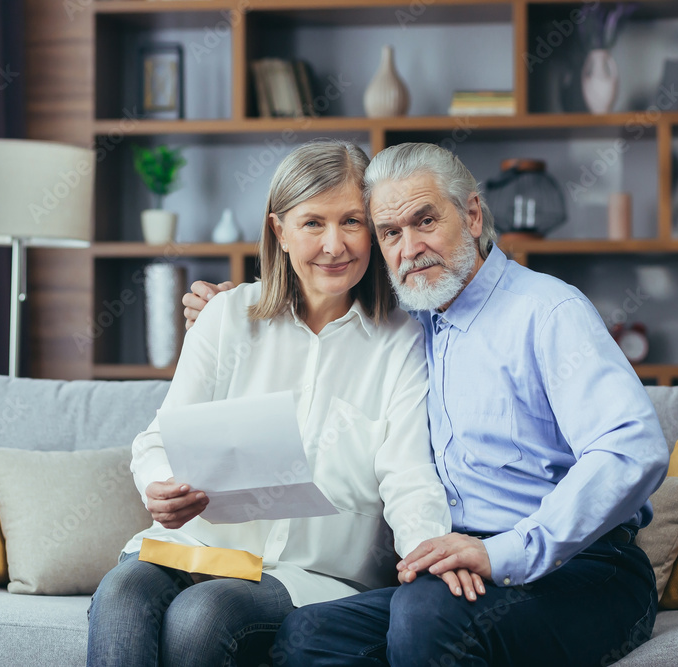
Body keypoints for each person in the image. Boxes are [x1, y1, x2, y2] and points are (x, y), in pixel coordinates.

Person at [184, 142, 669, 666]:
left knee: (424, 612)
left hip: (584, 568)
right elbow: (319, 310)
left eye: (425, 221)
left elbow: (633, 448)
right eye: (390, 233)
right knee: (308, 632)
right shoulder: (408, 321)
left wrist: (504, 552)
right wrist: (233, 311)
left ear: (473, 214)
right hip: (455, 564)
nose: (410, 247)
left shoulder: (547, 311)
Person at [86, 140, 457, 667]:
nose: (335, 245)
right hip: (195, 545)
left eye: (352, 221)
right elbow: (157, 439)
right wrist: (159, 485)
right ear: (279, 230)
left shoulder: (400, 342)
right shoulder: (226, 316)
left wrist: (429, 555)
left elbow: (408, 474)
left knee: (204, 615)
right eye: (313, 224)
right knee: (122, 594)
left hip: (309, 575)